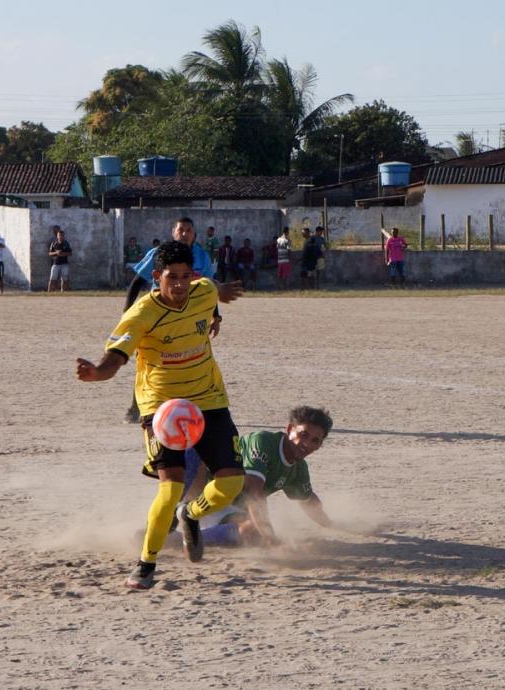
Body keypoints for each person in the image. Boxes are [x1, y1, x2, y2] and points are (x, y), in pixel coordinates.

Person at [76, 241, 246, 590]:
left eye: (186, 276)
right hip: (162, 409)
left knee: (231, 483)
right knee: (170, 491)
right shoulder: (141, 314)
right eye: (172, 277)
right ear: (157, 277)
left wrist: (223, 292)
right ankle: (146, 564)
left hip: (209, 400)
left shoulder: (202, 290)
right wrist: (97, 372)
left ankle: (192, 515)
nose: (181, 285)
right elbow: (115, 358)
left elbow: (212, 289)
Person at [187, 406, 335, 549]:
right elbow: (254, 493)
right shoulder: (263, 443)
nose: (307, 444)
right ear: (290, 429)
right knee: (196, 452)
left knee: (253, 531)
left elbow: (309, 501)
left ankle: (192, 537)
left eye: (315, 441)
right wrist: (272, 541)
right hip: (204, 492)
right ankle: (180, 523)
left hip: (228, 508)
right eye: (303, 435)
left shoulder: (299, 469)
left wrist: (333, 525)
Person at [123, 217, 218, 424]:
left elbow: (209, 288)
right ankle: (137, 405)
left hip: (190, 317)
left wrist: (215, 316)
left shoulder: (202, 257)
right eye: (181, 230)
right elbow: (137, 282)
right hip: (159, 316)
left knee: (188, 359)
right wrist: (127, 312)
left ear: (195, 235)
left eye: (189, 230)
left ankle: (190, 406)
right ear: (173, 232)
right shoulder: (159, 254)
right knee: (150, 361)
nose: (184, 234)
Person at [47, 226, 72, 292]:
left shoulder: (66, 243)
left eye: (62, 235)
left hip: (64, 264)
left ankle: (64, 293)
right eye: (59, 235)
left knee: (65, 279)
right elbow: (50, 253)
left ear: (63, 236)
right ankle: (49, 293)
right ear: (57, 236)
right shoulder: (54, 243)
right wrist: (56, 252)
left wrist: (63, 254)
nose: (60, 237)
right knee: (52, 279)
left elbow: (70, 253)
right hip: (55, 264)